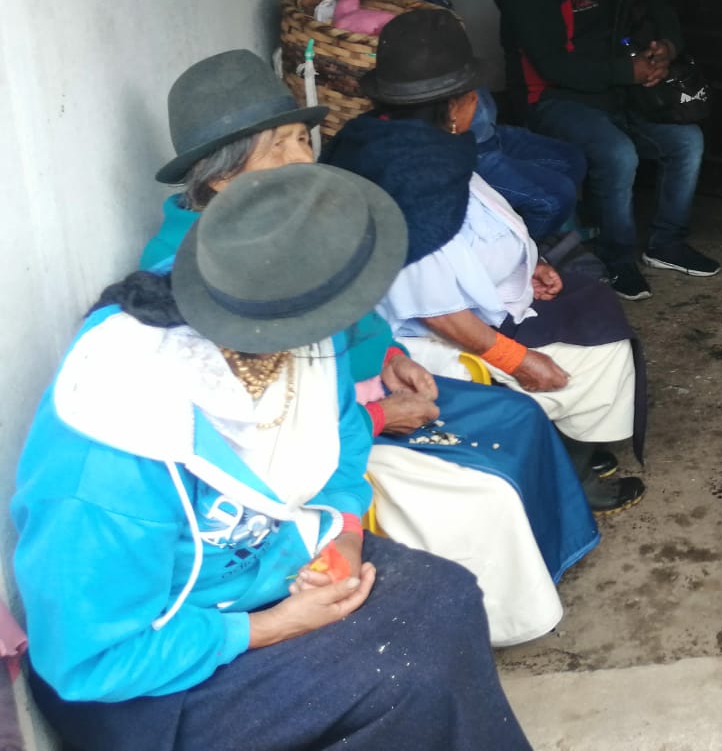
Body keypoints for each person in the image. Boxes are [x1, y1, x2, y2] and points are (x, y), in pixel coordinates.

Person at [12, 165, 532, 750]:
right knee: (399, 682)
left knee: (449, 596)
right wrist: (270, 627)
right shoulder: (111, 451)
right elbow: (91, 660)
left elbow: (341, 448)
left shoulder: (291, 332)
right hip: (155, 674)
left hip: (270, 571)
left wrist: (342, 538)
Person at [143, 48, 599, 644]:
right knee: (482, 495)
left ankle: (548, 557)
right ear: (222, 178)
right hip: (320, 452)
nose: (303, 160)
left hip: (360, 398)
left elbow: (351, 317)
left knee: (518, 415)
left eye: (301, 140)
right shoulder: (189, 281)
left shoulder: (286, 225)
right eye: (278, 148)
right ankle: (505, 615)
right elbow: (258, 433)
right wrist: (380, 416)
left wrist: (391, 358)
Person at [326, 8, 647, 513]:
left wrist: (528, 263)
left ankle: (567, 441)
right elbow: (434, 307)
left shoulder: (391, 138)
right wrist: (518, 361)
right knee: (602, 348)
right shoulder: (410, 177)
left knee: (589, 294)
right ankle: (571, 474)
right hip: (435, 332)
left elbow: (480, 217)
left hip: (486, 297)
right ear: (460, 105)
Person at [331, 0, 587, 240]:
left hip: (481, 129)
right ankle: (514, 262)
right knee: (553, 198)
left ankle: (556, 251)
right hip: (459, 142)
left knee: (571, 159)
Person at [495, 0, 718, 301]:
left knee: (687, 141)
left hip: (618, 92)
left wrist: (665, 48)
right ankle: (616, 260)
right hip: (553, 99)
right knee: (618, 154)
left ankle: (666, 243)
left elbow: (657, 7)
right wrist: (627, 71)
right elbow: (554, 65)